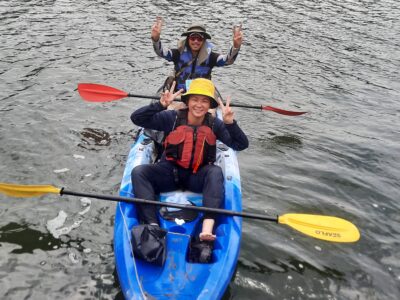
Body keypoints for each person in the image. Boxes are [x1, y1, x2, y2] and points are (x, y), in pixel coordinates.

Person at [131, 78, 248, 243]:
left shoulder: (216, 124)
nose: (199, 105)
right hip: (169, 173)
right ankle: (152, 224)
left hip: (197, 177)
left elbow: (240, 145)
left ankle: (207, 229)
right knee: (139, 172)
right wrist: (159, 105)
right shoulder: (172, 118)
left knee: (215, 172)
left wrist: (231, 124)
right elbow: (137, 119)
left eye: (204, 101)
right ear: (187, 101)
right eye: (195, 99)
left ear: (209, 105)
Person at [151, 17, 244, 92]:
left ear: (203, 41)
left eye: (199, 39)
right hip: (179, 94)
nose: (196, 41)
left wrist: (236, 46)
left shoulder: (211, 57)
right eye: (193, 38)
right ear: (188, 39)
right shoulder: (178, 54)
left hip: (201, 94)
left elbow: (227, 60)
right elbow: (161, 52)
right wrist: (156, 39)